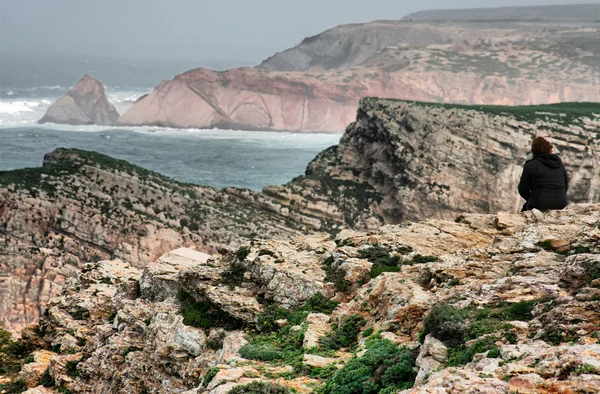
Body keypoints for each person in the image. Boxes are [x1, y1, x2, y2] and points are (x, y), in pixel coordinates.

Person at [518, 137, 568, 212]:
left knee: (524, 212)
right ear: (549, 149)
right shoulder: (559, 165)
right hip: (561, 204)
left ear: (533, 150)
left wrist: (532, 199)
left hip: (540, 204)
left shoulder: (530, 165)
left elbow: (522, 189)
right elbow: (565, 185)